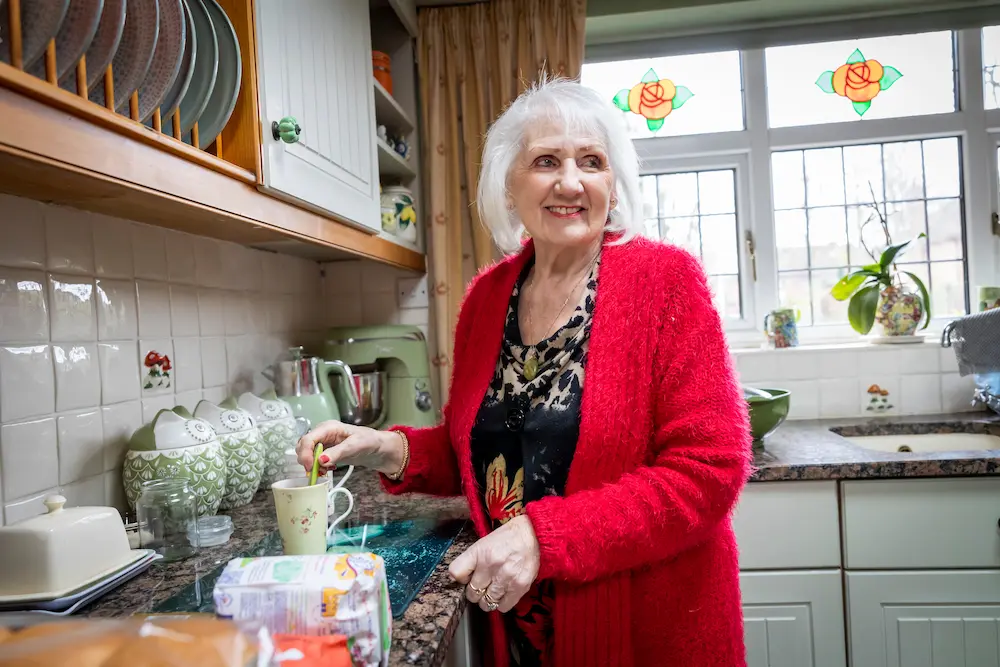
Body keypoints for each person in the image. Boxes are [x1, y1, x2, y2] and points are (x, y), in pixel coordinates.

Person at [296, 77, 752, 667]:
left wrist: (544, 536)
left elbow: (709, 469)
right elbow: (492, 446)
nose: (571, 181)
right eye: (546, 161)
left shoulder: (665, 282)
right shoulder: (488, 299)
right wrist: (386, 447)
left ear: (614, 185)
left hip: (645, 632)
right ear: (509, 187)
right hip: (521, 631)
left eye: (592, 161)